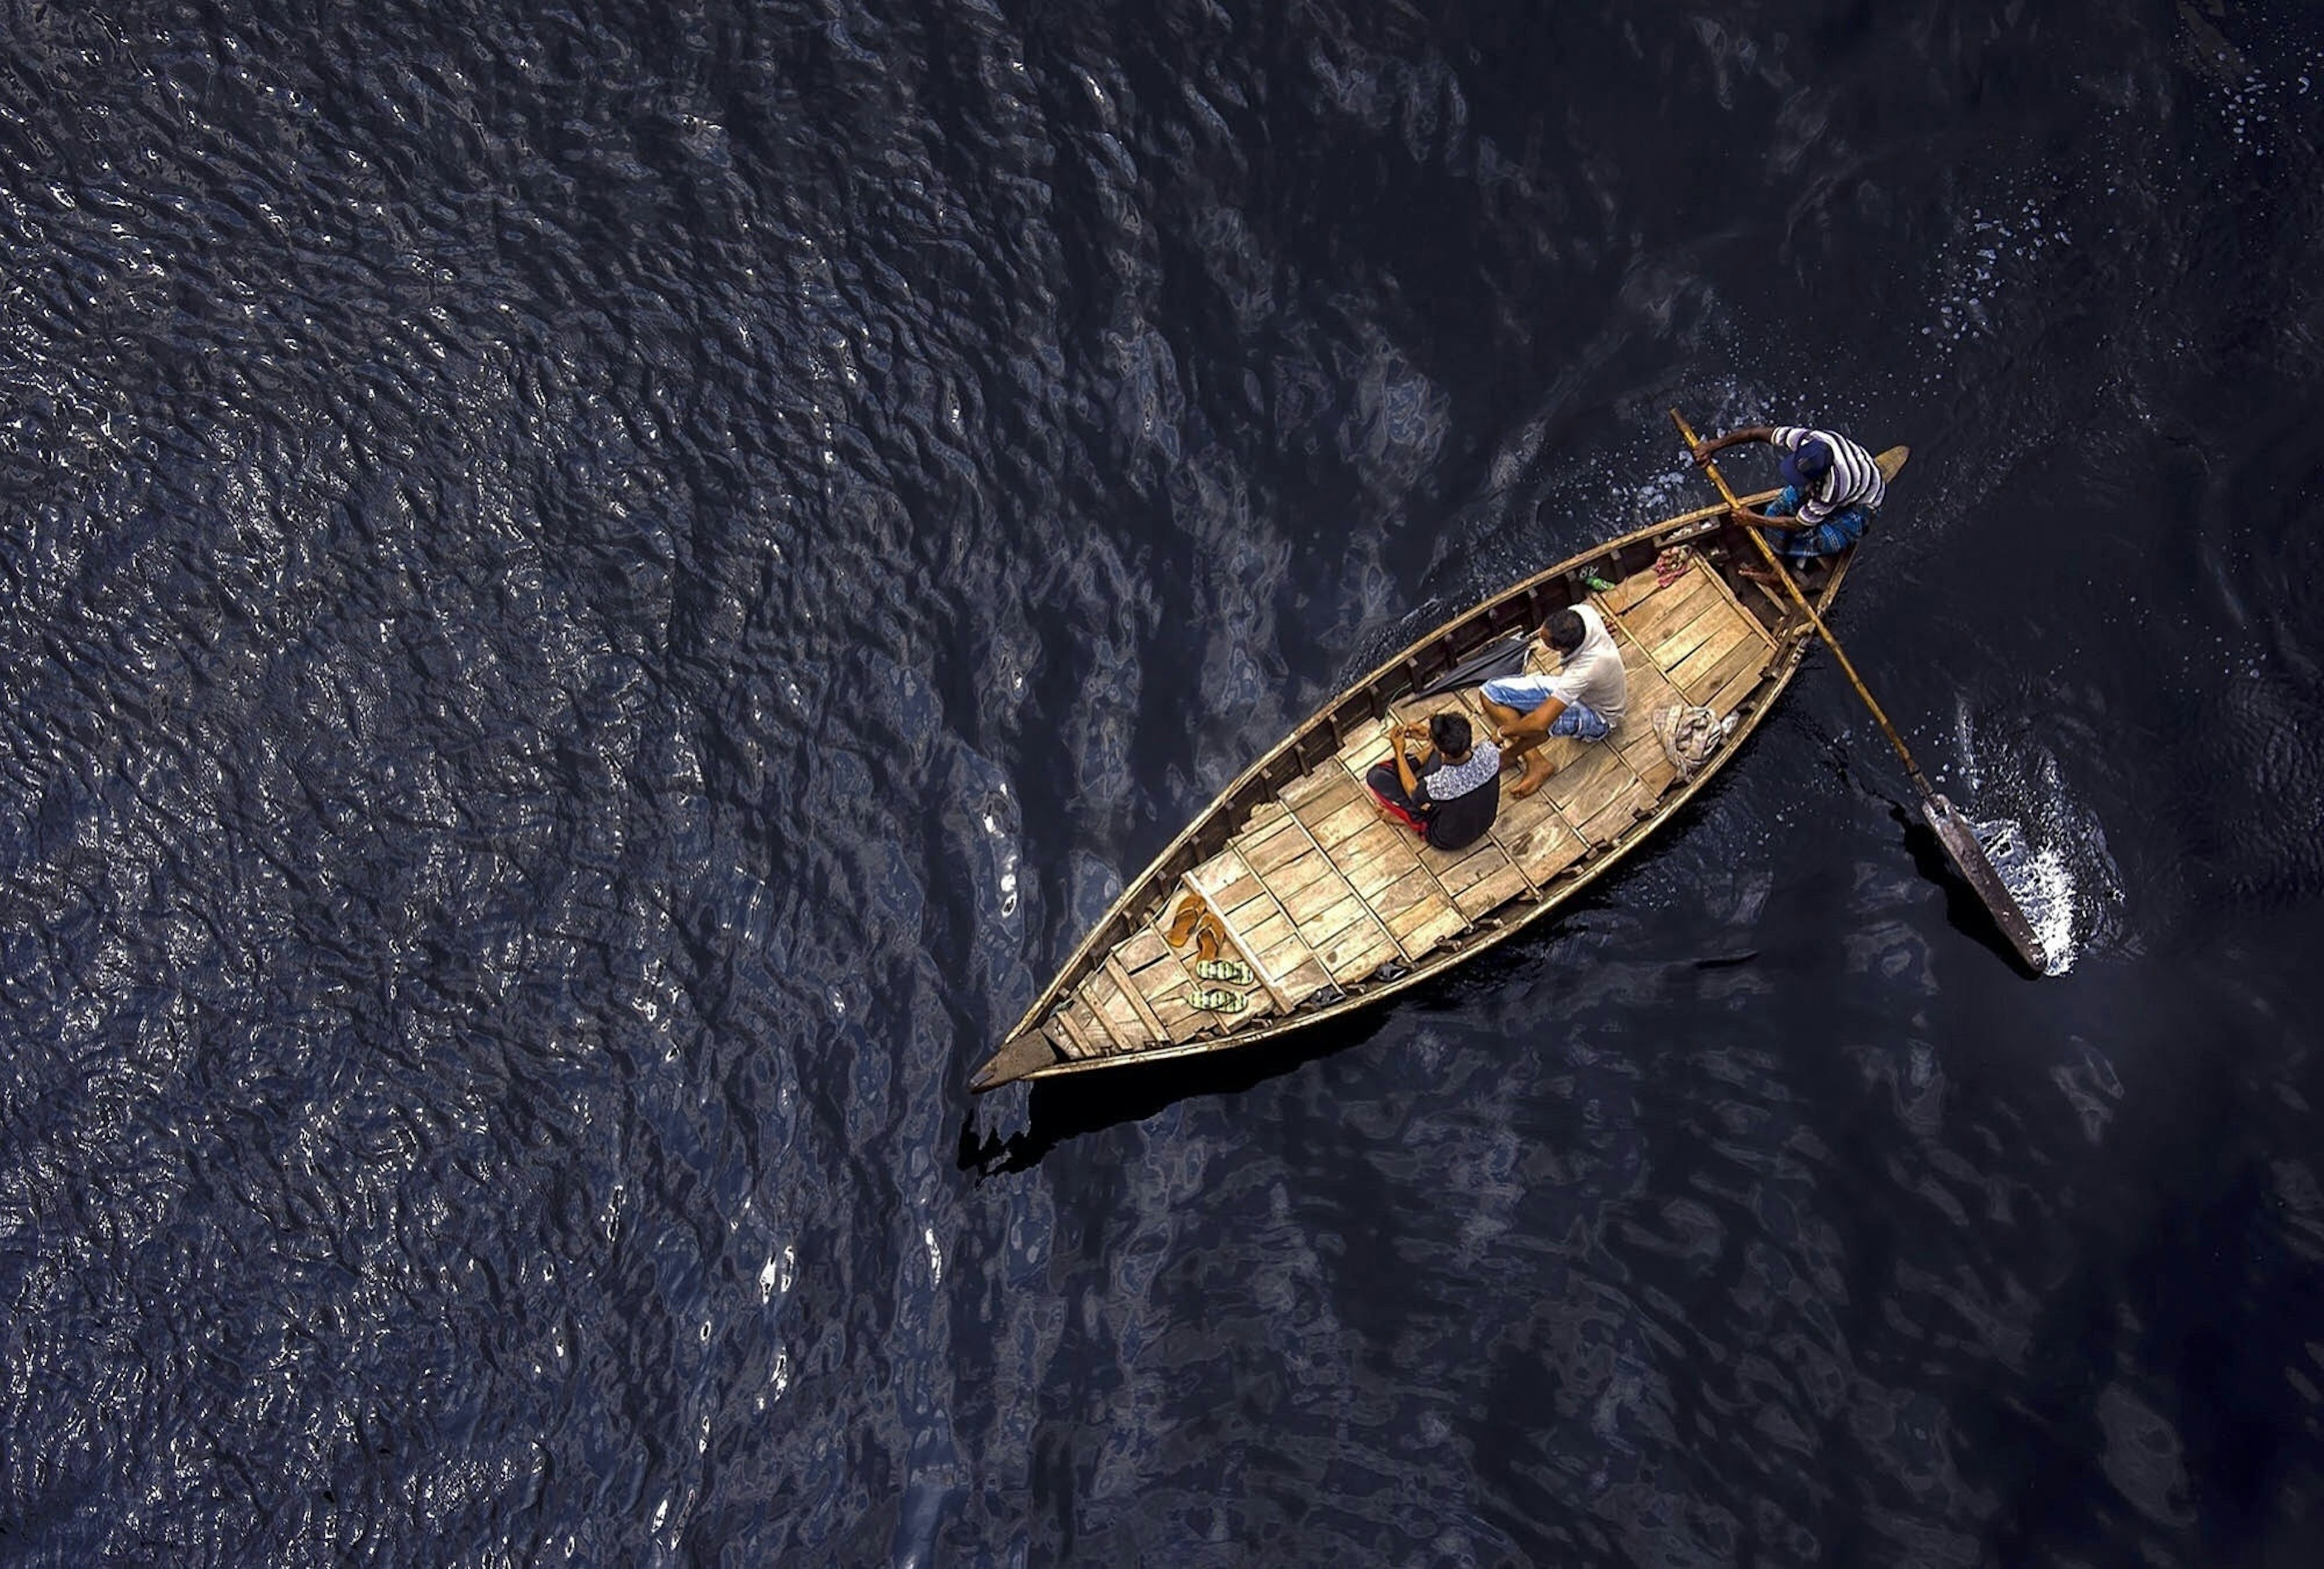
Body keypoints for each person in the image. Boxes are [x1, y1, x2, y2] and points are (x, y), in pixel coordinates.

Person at [1691, 422, 1885, 576]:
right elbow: (1755, 434)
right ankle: (1781, 557)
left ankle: (1778, 576)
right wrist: (1714, 445)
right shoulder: (1806, 439)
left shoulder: (1834, 488)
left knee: (1808, 539)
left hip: (1859, 506)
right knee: (1773, 513)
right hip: (1842, 482)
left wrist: (1752, 519)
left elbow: (1799, 524)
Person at [1479, 605, 1629, 799]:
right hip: (1581, 691)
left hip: (1598, 716)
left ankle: (1508, 756)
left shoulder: (1584, 671)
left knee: (1540, 727)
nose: (1540, 634)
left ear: (1562, 649)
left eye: (1545, 640)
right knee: (1490, 692)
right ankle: (1536, 761)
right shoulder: (1584, 613)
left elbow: (1540, 723)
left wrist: (1503, 732)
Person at [1365, 711, 1502, 852]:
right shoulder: (1490, 752)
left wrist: (1399, 752)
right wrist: (1431, 737)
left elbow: (1414, 792)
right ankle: (1415, 764)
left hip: (1448, 838)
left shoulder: (1441, 784)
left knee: (1377, 776)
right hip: (1486, 822)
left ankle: (1412, 821)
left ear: (1444, 753)